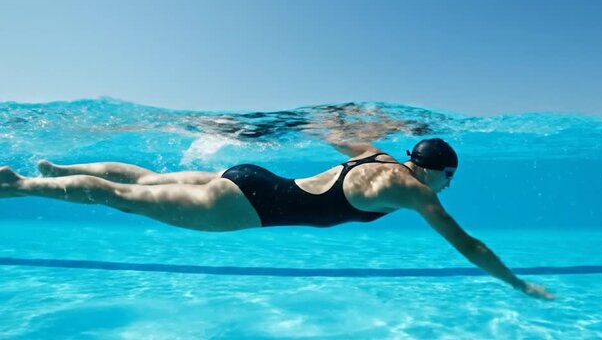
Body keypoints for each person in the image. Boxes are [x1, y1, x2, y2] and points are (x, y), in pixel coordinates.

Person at [0, 138, 553, 300]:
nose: (448, 187)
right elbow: (469, 244)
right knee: (124, 198)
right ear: (435, 171)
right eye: (449, 176)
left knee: (144, 179)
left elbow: (343, 129)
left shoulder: (379, 156)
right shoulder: (410, 191)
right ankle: (22, 185)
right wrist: (515, 281)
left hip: (253, 177)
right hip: (244, 208)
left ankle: (57, 166)